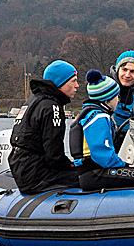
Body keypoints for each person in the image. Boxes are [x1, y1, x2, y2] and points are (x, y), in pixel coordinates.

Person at [70, 70, 134, 191]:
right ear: (107, 100)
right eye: (116, 96)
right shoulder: (99, 117)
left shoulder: (87, 114)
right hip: (94, 174)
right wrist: (125, 166)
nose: (118, 100)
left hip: (90, 172)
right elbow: (103, 156)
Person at [8, 60, 81, 194]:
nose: (77, 86)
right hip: (36, 175)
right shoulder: (52, 107)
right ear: (60, 83)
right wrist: (74, 167)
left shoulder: (33, 101)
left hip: (22, 168)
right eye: (73, 81)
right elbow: (54, 155)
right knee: (87, 178)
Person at [110, 50, 134, 149]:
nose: (127, 75)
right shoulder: (104, 90)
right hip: (105, 148)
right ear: (118, 70)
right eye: (124, 69)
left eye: (133, 71)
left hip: (127, 149)